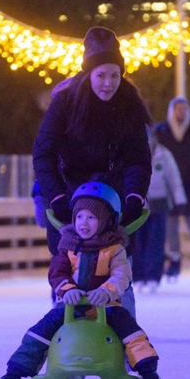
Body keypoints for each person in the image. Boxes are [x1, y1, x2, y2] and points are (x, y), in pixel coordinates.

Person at [0, 182, 163, 379]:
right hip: (71, 306)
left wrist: (106, 291)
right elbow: (57, 273)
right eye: (80, 216)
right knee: (39, 332)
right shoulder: (67, 246)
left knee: (132, 333)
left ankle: (149, 374)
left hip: (106, 304)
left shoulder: (114, 248)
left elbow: (122, 275)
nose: (84, 223)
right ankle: (13, 374)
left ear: (107, 221)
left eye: (92, 217)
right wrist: (67, 289)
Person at [33, 26, 153, 318]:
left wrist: (134, 197)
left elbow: (138, 157)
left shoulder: (129, 105)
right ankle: (63, 333)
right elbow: (44, 153)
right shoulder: (66, 102)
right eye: (101, 75)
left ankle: (124, 334)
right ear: (89, 74)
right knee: (67, 266)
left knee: (116, 266)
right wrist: (57, 197)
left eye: (114, 75)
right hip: (70, 196)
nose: (108, 83)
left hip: (113, 199)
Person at [154, 96, 190, 280]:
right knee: (170, 225)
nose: (181, 112)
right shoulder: (163, 131)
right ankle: (174, 260)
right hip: (169, 187)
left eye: (184, 109)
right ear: (172, 111)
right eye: (178, 109)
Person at [132, 129, 186, 292]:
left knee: (156, 242)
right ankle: (139, 276)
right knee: (138, 243)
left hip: (159, 204)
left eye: (149, 139)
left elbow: (174, 177)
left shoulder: (164, 155)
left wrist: (179, 199)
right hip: (138, 205)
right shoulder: (132, 154)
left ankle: (154, 276)